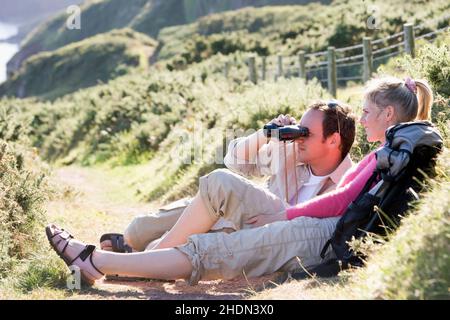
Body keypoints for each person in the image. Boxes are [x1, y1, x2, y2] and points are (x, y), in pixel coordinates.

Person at [46, 75, 434, 286]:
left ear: (386, 113)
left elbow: (339, 202)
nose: (365, 119)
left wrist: (281, 217)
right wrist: (268, 135)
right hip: (302, 225)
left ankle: (102, 261)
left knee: (218, 241)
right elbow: (237, 160)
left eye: (369, 112)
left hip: (314, 232)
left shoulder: (377, 156)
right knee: (214, 186)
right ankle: (131, 256)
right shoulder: (393, 150)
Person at [102, 101, 355, 253]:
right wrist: (265, 134)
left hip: (257, 233)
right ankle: (132, 249)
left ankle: (138, 257)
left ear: (333, 140)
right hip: (231, 210)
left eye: (306, 133)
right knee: (138, 229)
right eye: (298, 130)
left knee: (156, 246)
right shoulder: (292, 152)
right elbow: (235, 161)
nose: (299, 137)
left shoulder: (347, 184)